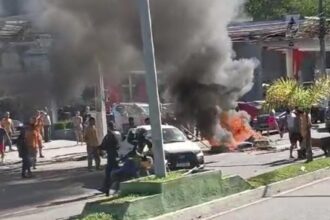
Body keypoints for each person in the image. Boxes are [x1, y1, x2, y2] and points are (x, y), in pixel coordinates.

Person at [99, 122, 120, 196]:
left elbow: (103, 145)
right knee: (115, 172)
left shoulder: (109, 136)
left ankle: (107, 189)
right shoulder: (116, 134)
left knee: (109, 173)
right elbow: (118, 145)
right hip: (115, 156)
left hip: (112, 156)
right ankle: (109, 189)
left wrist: (100, 148)